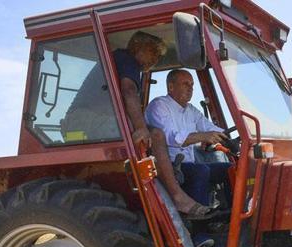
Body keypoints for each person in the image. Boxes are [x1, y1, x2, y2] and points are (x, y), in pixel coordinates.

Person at [63, 31, 211, 218]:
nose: (155, 60)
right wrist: (141, 128)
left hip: (95, 119)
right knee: (155, 135)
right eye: (154, 53)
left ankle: (171, 189)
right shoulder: (127, 59)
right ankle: (177, 196)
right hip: (83, 121)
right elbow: (129, 91)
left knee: (154, 136)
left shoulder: (125, 63)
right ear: (139, 48)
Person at [146, 69, 232, 216]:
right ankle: (200, 229)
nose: (191, 88)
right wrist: (202, 137)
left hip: (189, 164)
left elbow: (209, 128)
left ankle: (230, 215)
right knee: (201, 171)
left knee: (230, 169)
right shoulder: (159, 106)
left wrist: (229, 138)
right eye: (185, 84)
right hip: (168, 166)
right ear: (171, 86)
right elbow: (171, 138)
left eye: (192, 84)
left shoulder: (191, 110)